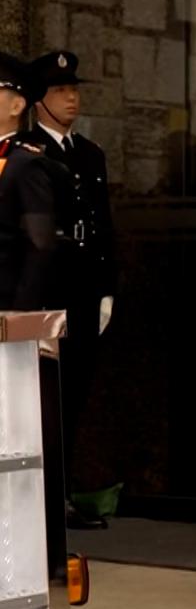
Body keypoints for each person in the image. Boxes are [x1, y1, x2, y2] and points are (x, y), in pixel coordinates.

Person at [23, 50, 116, 530]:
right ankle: (39, 499)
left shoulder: (89, 152)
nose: (72, 97)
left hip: (82, 286)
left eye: (74, 89)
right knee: (40, 398)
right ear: (38, 100)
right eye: (61, 90)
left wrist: (107, 288)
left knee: (74, 394)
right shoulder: (25, 151)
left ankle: (62, 492)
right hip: (45, 288)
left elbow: (103, 224)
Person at [0, 53, 58, 312]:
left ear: (16, 107)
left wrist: (20, 314)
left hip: (7, 309)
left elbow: (40, 244)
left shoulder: (25, 163)